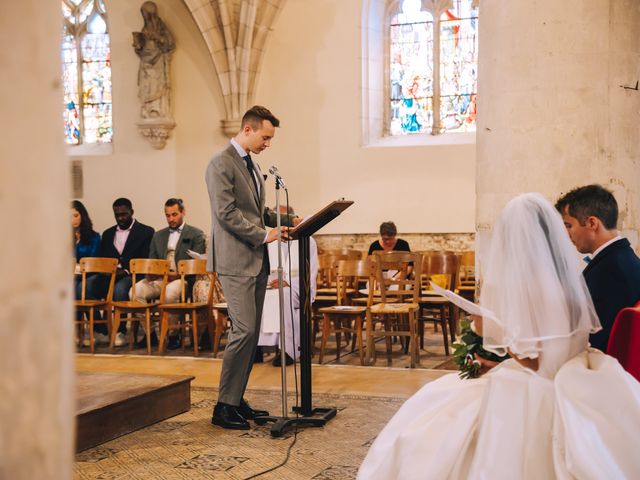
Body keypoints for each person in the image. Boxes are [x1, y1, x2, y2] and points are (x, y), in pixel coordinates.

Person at [357, 193, 640, 479]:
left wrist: (490, 330)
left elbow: (538, 364)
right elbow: (555, 347)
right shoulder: (572, 281)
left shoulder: (534, 288)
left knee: (435, 409)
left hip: (543, 386)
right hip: (577, 368)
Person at [205, 105, 300, 430]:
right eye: (266, 136)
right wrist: (265, 234)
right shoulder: (221, 163)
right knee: (243, 331)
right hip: (235, 260)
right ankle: (223, 407)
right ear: (248, 129)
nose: (268, 143)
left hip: (256, 260)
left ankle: (236, 399)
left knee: (251, 334)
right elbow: (227, 214)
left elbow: (257, 212)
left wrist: (290, 221)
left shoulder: (250, 164)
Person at [555, 184, 640, 351]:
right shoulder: (624, 258)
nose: (566, 234)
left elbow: (599, 341)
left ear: (592, 223)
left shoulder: (610, 272)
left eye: (569, 225)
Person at [129, 198, 205, 348]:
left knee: (170, 292)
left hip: (182, 278)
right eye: (167, 215)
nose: (171, 219)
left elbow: (197, 264)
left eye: (174, 214)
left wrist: (177, 274)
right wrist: (151, 273)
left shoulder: (196, 234)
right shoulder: (158, 235)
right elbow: (152, 260)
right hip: (160, 278)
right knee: (134, 291)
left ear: (183, 212)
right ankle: (150, 334)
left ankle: (172, 335)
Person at [87, 198, 154, 346]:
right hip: (109, 275)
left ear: (132, 212)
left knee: (120, 289)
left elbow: (145, 258)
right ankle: (101, 330)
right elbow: (103, 257)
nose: (120, 218)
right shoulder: (108, 233)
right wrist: (106, 269)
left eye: (124, 214)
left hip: (133, 275)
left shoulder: (146, 232)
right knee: (85, 288)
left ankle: (120, 330)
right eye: (117, 215)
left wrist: (125, 271)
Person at [257, 206, 319, 366]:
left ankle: (288, 350)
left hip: (299, 287)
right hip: (273, 284)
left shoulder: (307, 240)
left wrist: (288, 283)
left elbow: (311, 271)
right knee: (257, 295)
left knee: (284, 295)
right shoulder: (271, 240)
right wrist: (271, 281)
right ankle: (258, 349)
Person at [132, 1, 175, 120]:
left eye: (146, 13)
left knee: (157, 85)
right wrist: (138, 47)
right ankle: (148, 109)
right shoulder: (145, 28)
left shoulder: (161, 27)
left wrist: (158, 38)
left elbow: (170, 43)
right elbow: (143, 50)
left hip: (158, 61)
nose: (144, 16)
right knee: (146, 85)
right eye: (143, 14)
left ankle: (157, 109)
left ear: (151, 13)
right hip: (146, 62)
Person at [72, 200, 100, 300]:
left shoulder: (94, 237)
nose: (72, 219)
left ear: (82, 216)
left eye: (75, 216)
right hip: (71, 275)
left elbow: (93, 260)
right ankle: (75, 316)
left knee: (80, 288)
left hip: (90, 274)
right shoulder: (64, 237)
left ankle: (94, 315)